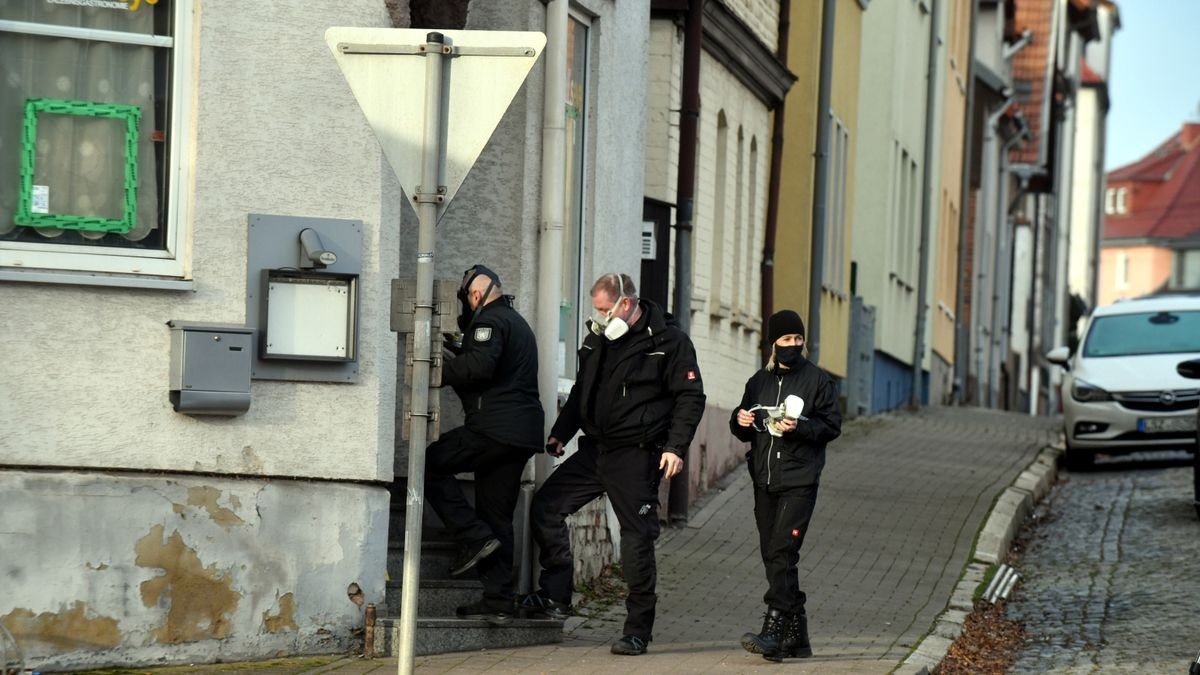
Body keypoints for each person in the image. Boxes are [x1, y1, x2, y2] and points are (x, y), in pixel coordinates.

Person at [524, 273, 706, 655]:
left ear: (626, 304)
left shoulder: (669, 342)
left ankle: (637, 630)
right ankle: (556, 595)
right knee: (546, 506)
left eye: (605, 309)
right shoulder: (597, 341)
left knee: (636, 541)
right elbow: (580, 392)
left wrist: (675, 447)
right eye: (597, 310)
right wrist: (562, 431)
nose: (600, 317)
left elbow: (690, 397)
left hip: (638, 456)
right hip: (596, 452)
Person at [423, 264, 544, 624]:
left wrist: (433, 370)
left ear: (476, 295)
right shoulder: (514, 321)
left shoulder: (489, 321)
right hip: (519, 434)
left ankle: (472, 537)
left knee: (430, 463)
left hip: (495, 429)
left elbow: (480, 367)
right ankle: (499, 599)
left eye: (467, 300)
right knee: (496, 515)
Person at [730, 309, 842, 662]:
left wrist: (802, 428)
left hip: (799, 480)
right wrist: (740, 419)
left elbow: (832, 425)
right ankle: (799, 638)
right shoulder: (757, 383)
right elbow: (744, 428)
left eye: (798, 339)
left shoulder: (818, 381)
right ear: (773, 343)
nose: (793, 344)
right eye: (786, 339)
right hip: (764, 480)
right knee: (774, 555)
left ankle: (774, 631)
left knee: (782, 551)